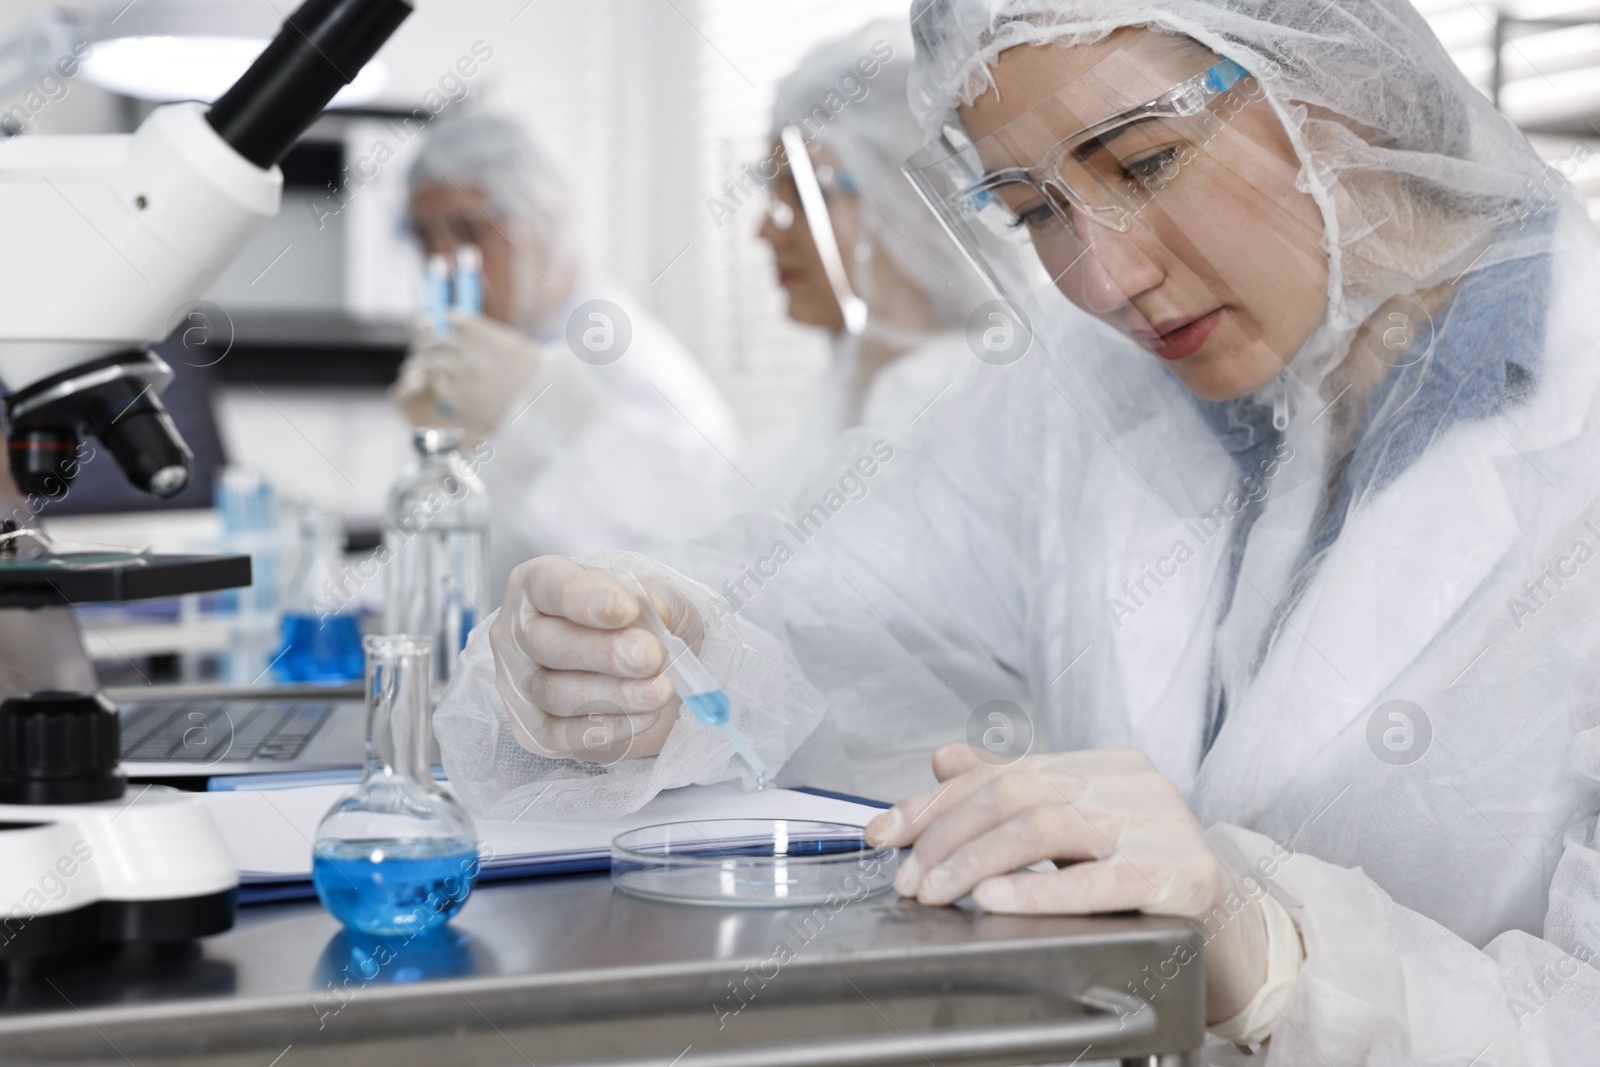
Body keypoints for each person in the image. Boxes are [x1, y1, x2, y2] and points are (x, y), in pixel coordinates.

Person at [437, 0, 1600, 1058]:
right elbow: (811, 600)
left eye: (1143, 163)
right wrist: (653, 634)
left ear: (1337, 86)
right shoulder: (1089, 399)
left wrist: (1285, 962)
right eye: (1033, 209)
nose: (1096, 279)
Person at [393, 113, 743, 595]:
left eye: (469, 231)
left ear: (546, 219)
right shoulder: (504, 355)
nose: (444, 262)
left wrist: (535, 412)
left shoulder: (624, 358)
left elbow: (673, 564)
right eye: (423, 237)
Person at [743, 19, 992, 508]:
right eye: (775, 195)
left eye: (808, 192)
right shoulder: (833, 404)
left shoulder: (970, 407)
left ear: (906, 200)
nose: (767, 230)